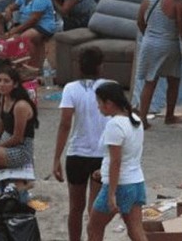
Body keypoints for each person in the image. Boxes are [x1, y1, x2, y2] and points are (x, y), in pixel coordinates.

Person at [53, 47, 111, 241]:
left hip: (76, 154)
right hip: (102, 154)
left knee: (75, 208)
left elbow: (65, 124)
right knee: (95, 210)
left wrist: (56, 159)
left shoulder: (70, 89)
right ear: (100, 66)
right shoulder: (111, 87)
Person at [86, 82, 146, 241]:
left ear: (109, 103)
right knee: (136, 231)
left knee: (94, 227)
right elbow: (127, 154)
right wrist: (104, 171)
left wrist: (111, 194)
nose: (98, 107)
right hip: (136, 182)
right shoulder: (135, 119)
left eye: (99, 102)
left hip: (120, 185)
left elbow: (116, 161)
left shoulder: (114, 125)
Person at [135, 0, 182, 128]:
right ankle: (169, 115)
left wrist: (149, 36)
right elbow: (181, 26)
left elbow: (140, 22)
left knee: (149, 82)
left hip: (149, 42)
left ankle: (143, 118)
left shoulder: (147, 0)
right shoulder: (176, 1)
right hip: (168, 43)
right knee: (174, 80)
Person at [3, 0, 57, 68]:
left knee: (25, 38)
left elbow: (34, 19)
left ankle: (32, 67)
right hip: (28, 25)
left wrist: (17, 29)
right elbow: (14, 6)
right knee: (12, 39)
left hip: (43, 26)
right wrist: (8, 9)